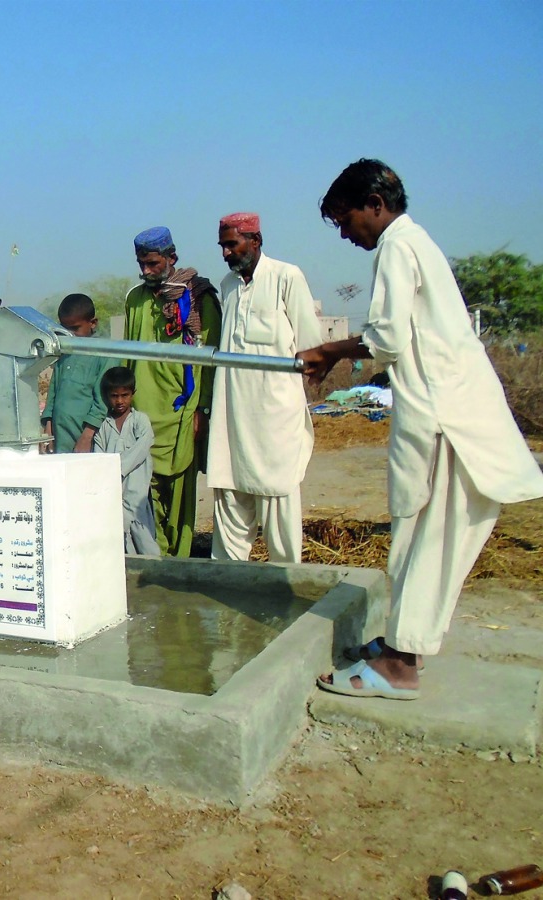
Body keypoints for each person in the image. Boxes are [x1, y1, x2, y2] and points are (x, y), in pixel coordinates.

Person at [300, 159, 543, 700]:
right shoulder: (417, 243)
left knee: (425, 533)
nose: (344, 234)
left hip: (442, 417)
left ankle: (399, 667)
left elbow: (386, 338)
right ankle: (400, 647)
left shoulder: (396, 248)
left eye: (345, 219)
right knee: (427, 534)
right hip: (451, 408)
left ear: (375, 205)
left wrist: (329, 349)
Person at [209, 212, 321, 564]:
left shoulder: (287, 277)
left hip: (274, 415)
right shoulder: (228, 286)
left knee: (278, 496)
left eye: (232, 244)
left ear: (255, 241)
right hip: (231, 412)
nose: (226, 253)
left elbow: (311, 347)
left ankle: (288, 582)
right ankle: (228, 583)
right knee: (229, 494)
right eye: (222, 245)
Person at [122, 227, 221, 557]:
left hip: (182, 412)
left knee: (179, 495)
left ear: (171, 257)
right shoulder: (135, 299)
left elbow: (211, 362)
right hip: (143, 412)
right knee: (142, 494)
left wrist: (202, 409)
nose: (146, 271)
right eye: (142, 264)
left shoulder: (198, 298)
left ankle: (179, 562)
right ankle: (155, 560)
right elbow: (128, 355)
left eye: (152, 263)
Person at [94, 367, 161, 556]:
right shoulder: (104, 425)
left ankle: (154, 572)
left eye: (125, 395)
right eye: (114, 396)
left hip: (136, 492)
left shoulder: (140, 421)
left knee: (144, 540)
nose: (120, 401)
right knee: (117, 540)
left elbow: (142, 448)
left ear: (133, 394)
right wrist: (107, 474)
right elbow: (99, 458)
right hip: (114, 492)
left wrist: (116, 468)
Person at [42, 293, 114, 454]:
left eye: (75, 328)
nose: (70, 334)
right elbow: (53, 390)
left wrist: (87, 436)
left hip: (86, 438)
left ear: (93, 323)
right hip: (59, 437)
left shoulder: (106, 353)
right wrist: (48, 428)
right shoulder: (64, 352)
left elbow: (103, 401)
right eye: (65, 329)